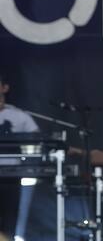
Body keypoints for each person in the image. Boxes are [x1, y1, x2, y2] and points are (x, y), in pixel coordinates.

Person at [0, 72, 39, 239]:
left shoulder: (19, 116)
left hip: (12, 173)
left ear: (4, 88)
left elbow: (38, 140)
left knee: (11, 215)